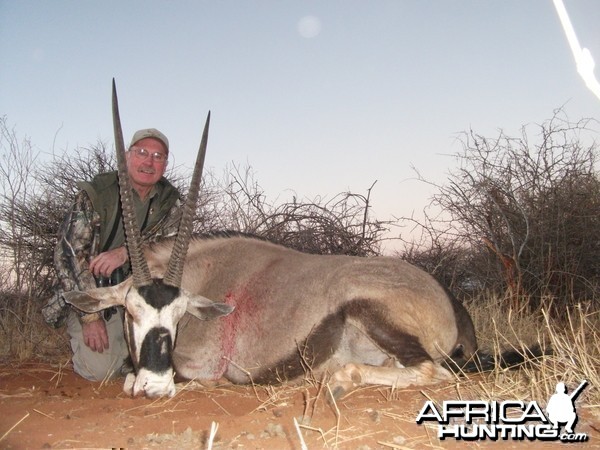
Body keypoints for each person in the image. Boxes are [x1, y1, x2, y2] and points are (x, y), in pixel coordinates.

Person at [43, 128, 182, 381]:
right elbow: (68, 256)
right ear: (127, 156)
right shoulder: (97, 193)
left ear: (165, 163)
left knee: (161, 361)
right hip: (95, 294)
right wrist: (91, 318)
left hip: (141, 295)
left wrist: (127, 252)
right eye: (142, 153)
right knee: (101, 372)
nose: (149, 162)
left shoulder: (169, 202)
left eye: (157, 156)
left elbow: (170, 249)